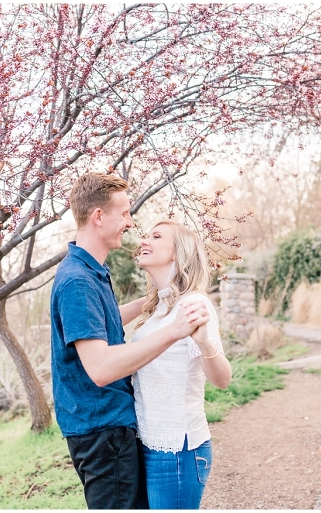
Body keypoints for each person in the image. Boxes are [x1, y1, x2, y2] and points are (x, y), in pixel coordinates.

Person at [50, 173, 210, 510]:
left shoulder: (90, 271)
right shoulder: (78, 281)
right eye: (124, 213)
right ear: (98, 217)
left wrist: (154, 301)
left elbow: (101, 320)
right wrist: (173, 330)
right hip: (103, 430)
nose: (129, 222)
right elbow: (101, 368)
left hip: (104, 428)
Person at [132, 220, 233, 510]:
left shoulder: (193, 304)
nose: (144, 241)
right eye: (146, 235)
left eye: (157, 236)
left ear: (177, 252)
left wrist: (203, 343)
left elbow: (222, 379)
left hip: (178, 450)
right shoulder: (157, 309)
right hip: (149, 444)